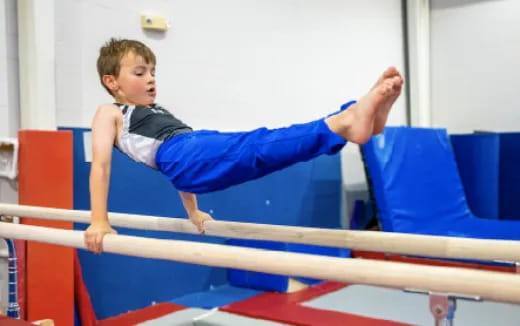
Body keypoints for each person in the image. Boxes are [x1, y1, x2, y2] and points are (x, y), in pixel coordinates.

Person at [84, 38, 403, 253]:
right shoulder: (109, 112)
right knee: (258, 146)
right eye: (140, 72)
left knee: (263, 151)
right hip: (184, 156)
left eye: (153, 71)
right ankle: (346, 120)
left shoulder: (158, 112)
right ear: (112, 82)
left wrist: (193, 212)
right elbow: (101, 166)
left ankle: (352, 120)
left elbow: (183, 167)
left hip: (189, 153)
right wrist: (99, 219)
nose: (151, 78)